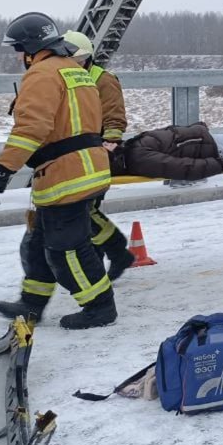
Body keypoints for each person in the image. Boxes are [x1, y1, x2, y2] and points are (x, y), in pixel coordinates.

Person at [0, 13, 116, 330]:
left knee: (67, 249)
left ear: (32, 47)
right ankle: (32, 302)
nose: (18, 57)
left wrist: (4, 168)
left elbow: (31, 128)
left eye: (18, 49)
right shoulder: (75, 71)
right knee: (38, 243)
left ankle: (99, 307)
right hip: (83, 168)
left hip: (67, 175)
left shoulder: (42, 74)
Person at [61, 31, 134, 279]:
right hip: (71, 155)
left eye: (76, 59)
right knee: (82, 210)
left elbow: (115, 118)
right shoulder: (64, 76)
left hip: (95, 154)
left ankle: (107, 257)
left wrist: (109, 142)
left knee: (85, 210)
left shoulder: (103, 80)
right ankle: (115, 253)